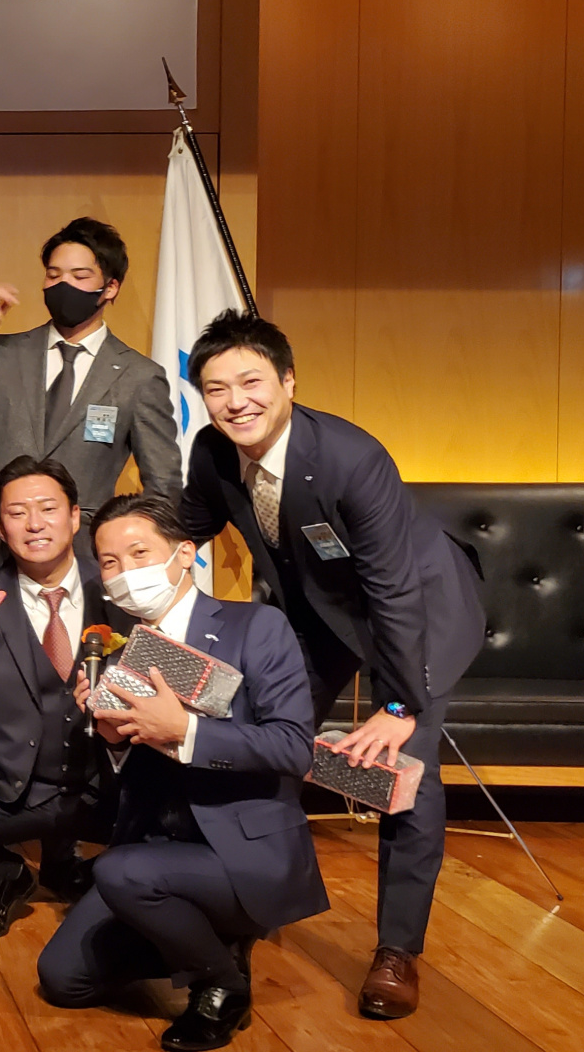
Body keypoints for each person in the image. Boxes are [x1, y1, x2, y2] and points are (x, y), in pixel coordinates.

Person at [179, 311, 485, 1021]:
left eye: (251, 382)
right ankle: (245, 906)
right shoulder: (212, 451)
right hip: (320, 608)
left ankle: (397, 952)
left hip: (418, 608)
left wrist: (399, 706)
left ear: (288, 381)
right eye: (217, 389)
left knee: (405, 771)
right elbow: (182, 531)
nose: (235, 402)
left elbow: (393, 590)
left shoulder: (352, 457)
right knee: (262, 738)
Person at [39, 495, 327, 1052]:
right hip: (157, 849)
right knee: (63, 980)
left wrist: (186, 731)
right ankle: (208, 941)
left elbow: (294, 748)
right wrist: (111, 739)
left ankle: (222, 983)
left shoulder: (255, 626)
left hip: (241, 853)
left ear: (185, 554)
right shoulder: (119, 654)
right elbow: (124, 778)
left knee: (120, 872)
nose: (125, 572)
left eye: (139, 553)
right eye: (110, 562)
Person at [0, 455, 127, 942]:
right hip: (4, 781)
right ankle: (4, 874)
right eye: (17, 513)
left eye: (48, 508)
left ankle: (70, 864)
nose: (34, 524)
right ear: (1, 528)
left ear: (75, 517)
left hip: (100, 783)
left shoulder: (118, 593)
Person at [0, 217, 181, 572]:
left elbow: (162, 483)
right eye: (53, 276)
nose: (63, 285)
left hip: (82, 557)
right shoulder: (2, 353)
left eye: (79, 276)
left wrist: (138, 552)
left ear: (110, 288)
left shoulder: (139, 377)